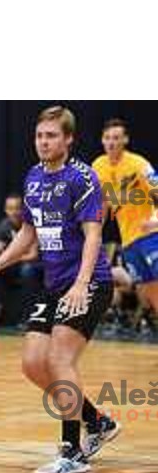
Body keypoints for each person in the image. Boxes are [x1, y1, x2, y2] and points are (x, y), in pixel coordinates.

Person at [0, 105, 119, 473]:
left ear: (68, 139)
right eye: (39, 135)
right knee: (34, 364)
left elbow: (93, 235)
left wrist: (82, 284)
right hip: (54, 286)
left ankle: (72, 452)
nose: (43, 142)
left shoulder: (82, 178)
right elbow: (28, 234)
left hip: (89, 281)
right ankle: (96, 422)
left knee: (59, 360)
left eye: (51, 135)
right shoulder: (34, 178)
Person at [92, 119, 158, 332]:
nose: (112, 143)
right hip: (129, 241)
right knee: (151, 293)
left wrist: (156, 220)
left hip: (151, 234)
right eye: (108, 138)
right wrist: (95, 234)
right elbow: (100, 204)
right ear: (102, 140)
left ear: (125, 140)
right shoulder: (98, 167)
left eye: (117, 138)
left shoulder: (138, 164)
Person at [0, 194, 42, 325]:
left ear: (23, 210)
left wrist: (9, 259)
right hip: (15, 263)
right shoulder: (3, 226)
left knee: (27, 271)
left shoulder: (31, 224)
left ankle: (28, 316)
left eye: (17, 208)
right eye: (10, 208)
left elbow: (33, 255)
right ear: (5, 210)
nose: (13, 212)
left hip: (35, 263)